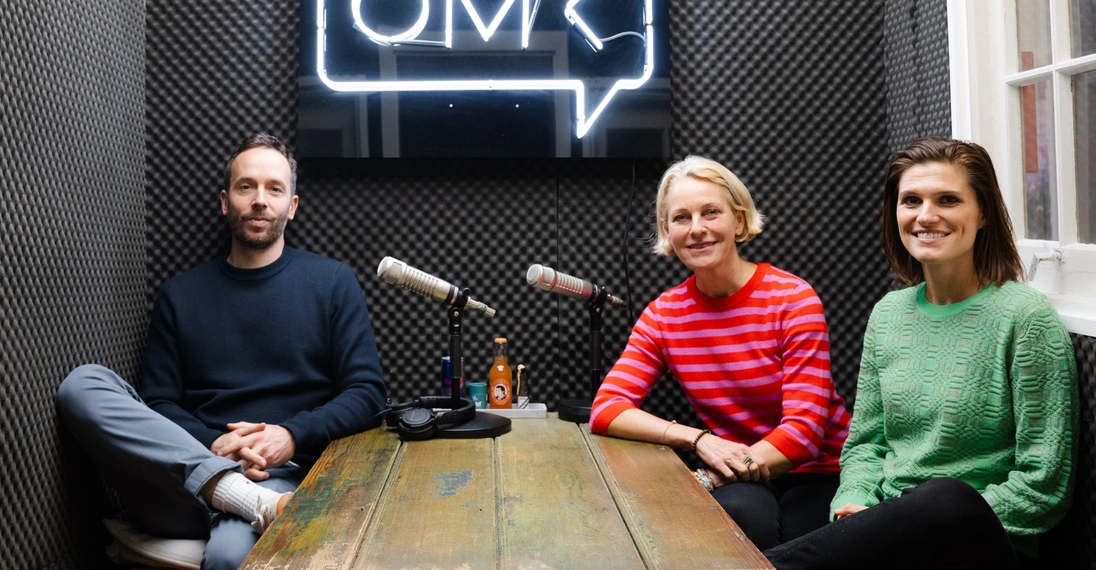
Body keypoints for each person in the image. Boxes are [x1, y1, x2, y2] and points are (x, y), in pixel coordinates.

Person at [55, 133, 388, 569]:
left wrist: (289, 436)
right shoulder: (180, 294)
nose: (259, 200)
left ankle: (249, 500)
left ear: (292, 206)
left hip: (280, 482)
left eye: (274, 188)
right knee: (82, 385)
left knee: (232, 559)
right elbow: (159, 403)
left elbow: (367, 394)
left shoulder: (332, 283)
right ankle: (243, 498)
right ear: (224, 201)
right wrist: (212, 443)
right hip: (178, 483)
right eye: (245, 186)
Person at [764, 136, 1078, 569]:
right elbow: (866, 444)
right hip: (884, 531)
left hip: (977, 542)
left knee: (945, 496)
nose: (926, 216)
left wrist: (908, 525)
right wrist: (855, 502)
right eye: (910, 200)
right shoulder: (889, 313)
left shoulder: (1026, 318)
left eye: (948, 200)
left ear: (983, 213)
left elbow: (1043, 485)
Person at [589, 156, 852, 550]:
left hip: (818, 470)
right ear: (666, 230)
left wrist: (713, 475)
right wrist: (697, 440)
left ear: (739, 221)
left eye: (711, 212)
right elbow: (607, 409)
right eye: (681, 218)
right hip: (737, 469)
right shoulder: (664, 314)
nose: (697, 229)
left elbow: (803, 436)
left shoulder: (792, 298)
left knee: (802, 539)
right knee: (743, 522)